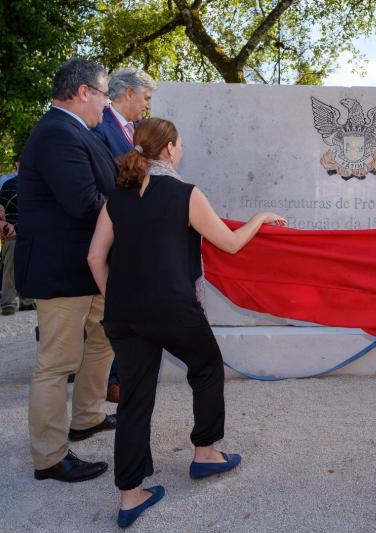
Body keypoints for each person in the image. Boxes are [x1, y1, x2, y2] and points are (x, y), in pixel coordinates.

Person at [87, 117, 286, 529]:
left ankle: (130, 496)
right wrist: (259, 219)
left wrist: (119, 299)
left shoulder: (115, 196)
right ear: (170, 149)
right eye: (180, 145)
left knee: (134, 400)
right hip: (173, 308)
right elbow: (229, 244)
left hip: (124, 314)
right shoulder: (185, 193)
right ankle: (206, 453)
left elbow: (94, 257)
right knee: (208, 367)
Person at [16, 58, 118, 483]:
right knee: (56, 363)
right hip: (62, 268)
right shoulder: (58, 133)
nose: (105, 104)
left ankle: (88, 417)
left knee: (103, 340)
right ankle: (50, 457)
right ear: (82, 92)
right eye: (103, 94)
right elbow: (83, 201)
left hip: (87, 265)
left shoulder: (77, 131)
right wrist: (130, 219)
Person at [91, 67, 156, 404]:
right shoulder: (99, 129)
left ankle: (119, 375)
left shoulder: (136, 130)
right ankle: (112, 380)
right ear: (128, 93)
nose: (148, 105)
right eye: (146, 98)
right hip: (110, 231)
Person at [0, 154, 35, 315]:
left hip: (33, 231)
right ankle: (8, 302)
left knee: (30, 265)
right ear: (17, 163)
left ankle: (27, 300)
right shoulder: (8, 184)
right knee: (10, 266)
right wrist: (4, 225)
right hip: (13, 231)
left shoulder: (37, 182)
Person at [92, 67, 155, 156]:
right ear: (130, 94)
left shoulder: (146, 127)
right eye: (146, 98)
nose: (149, 106)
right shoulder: (98, 127)